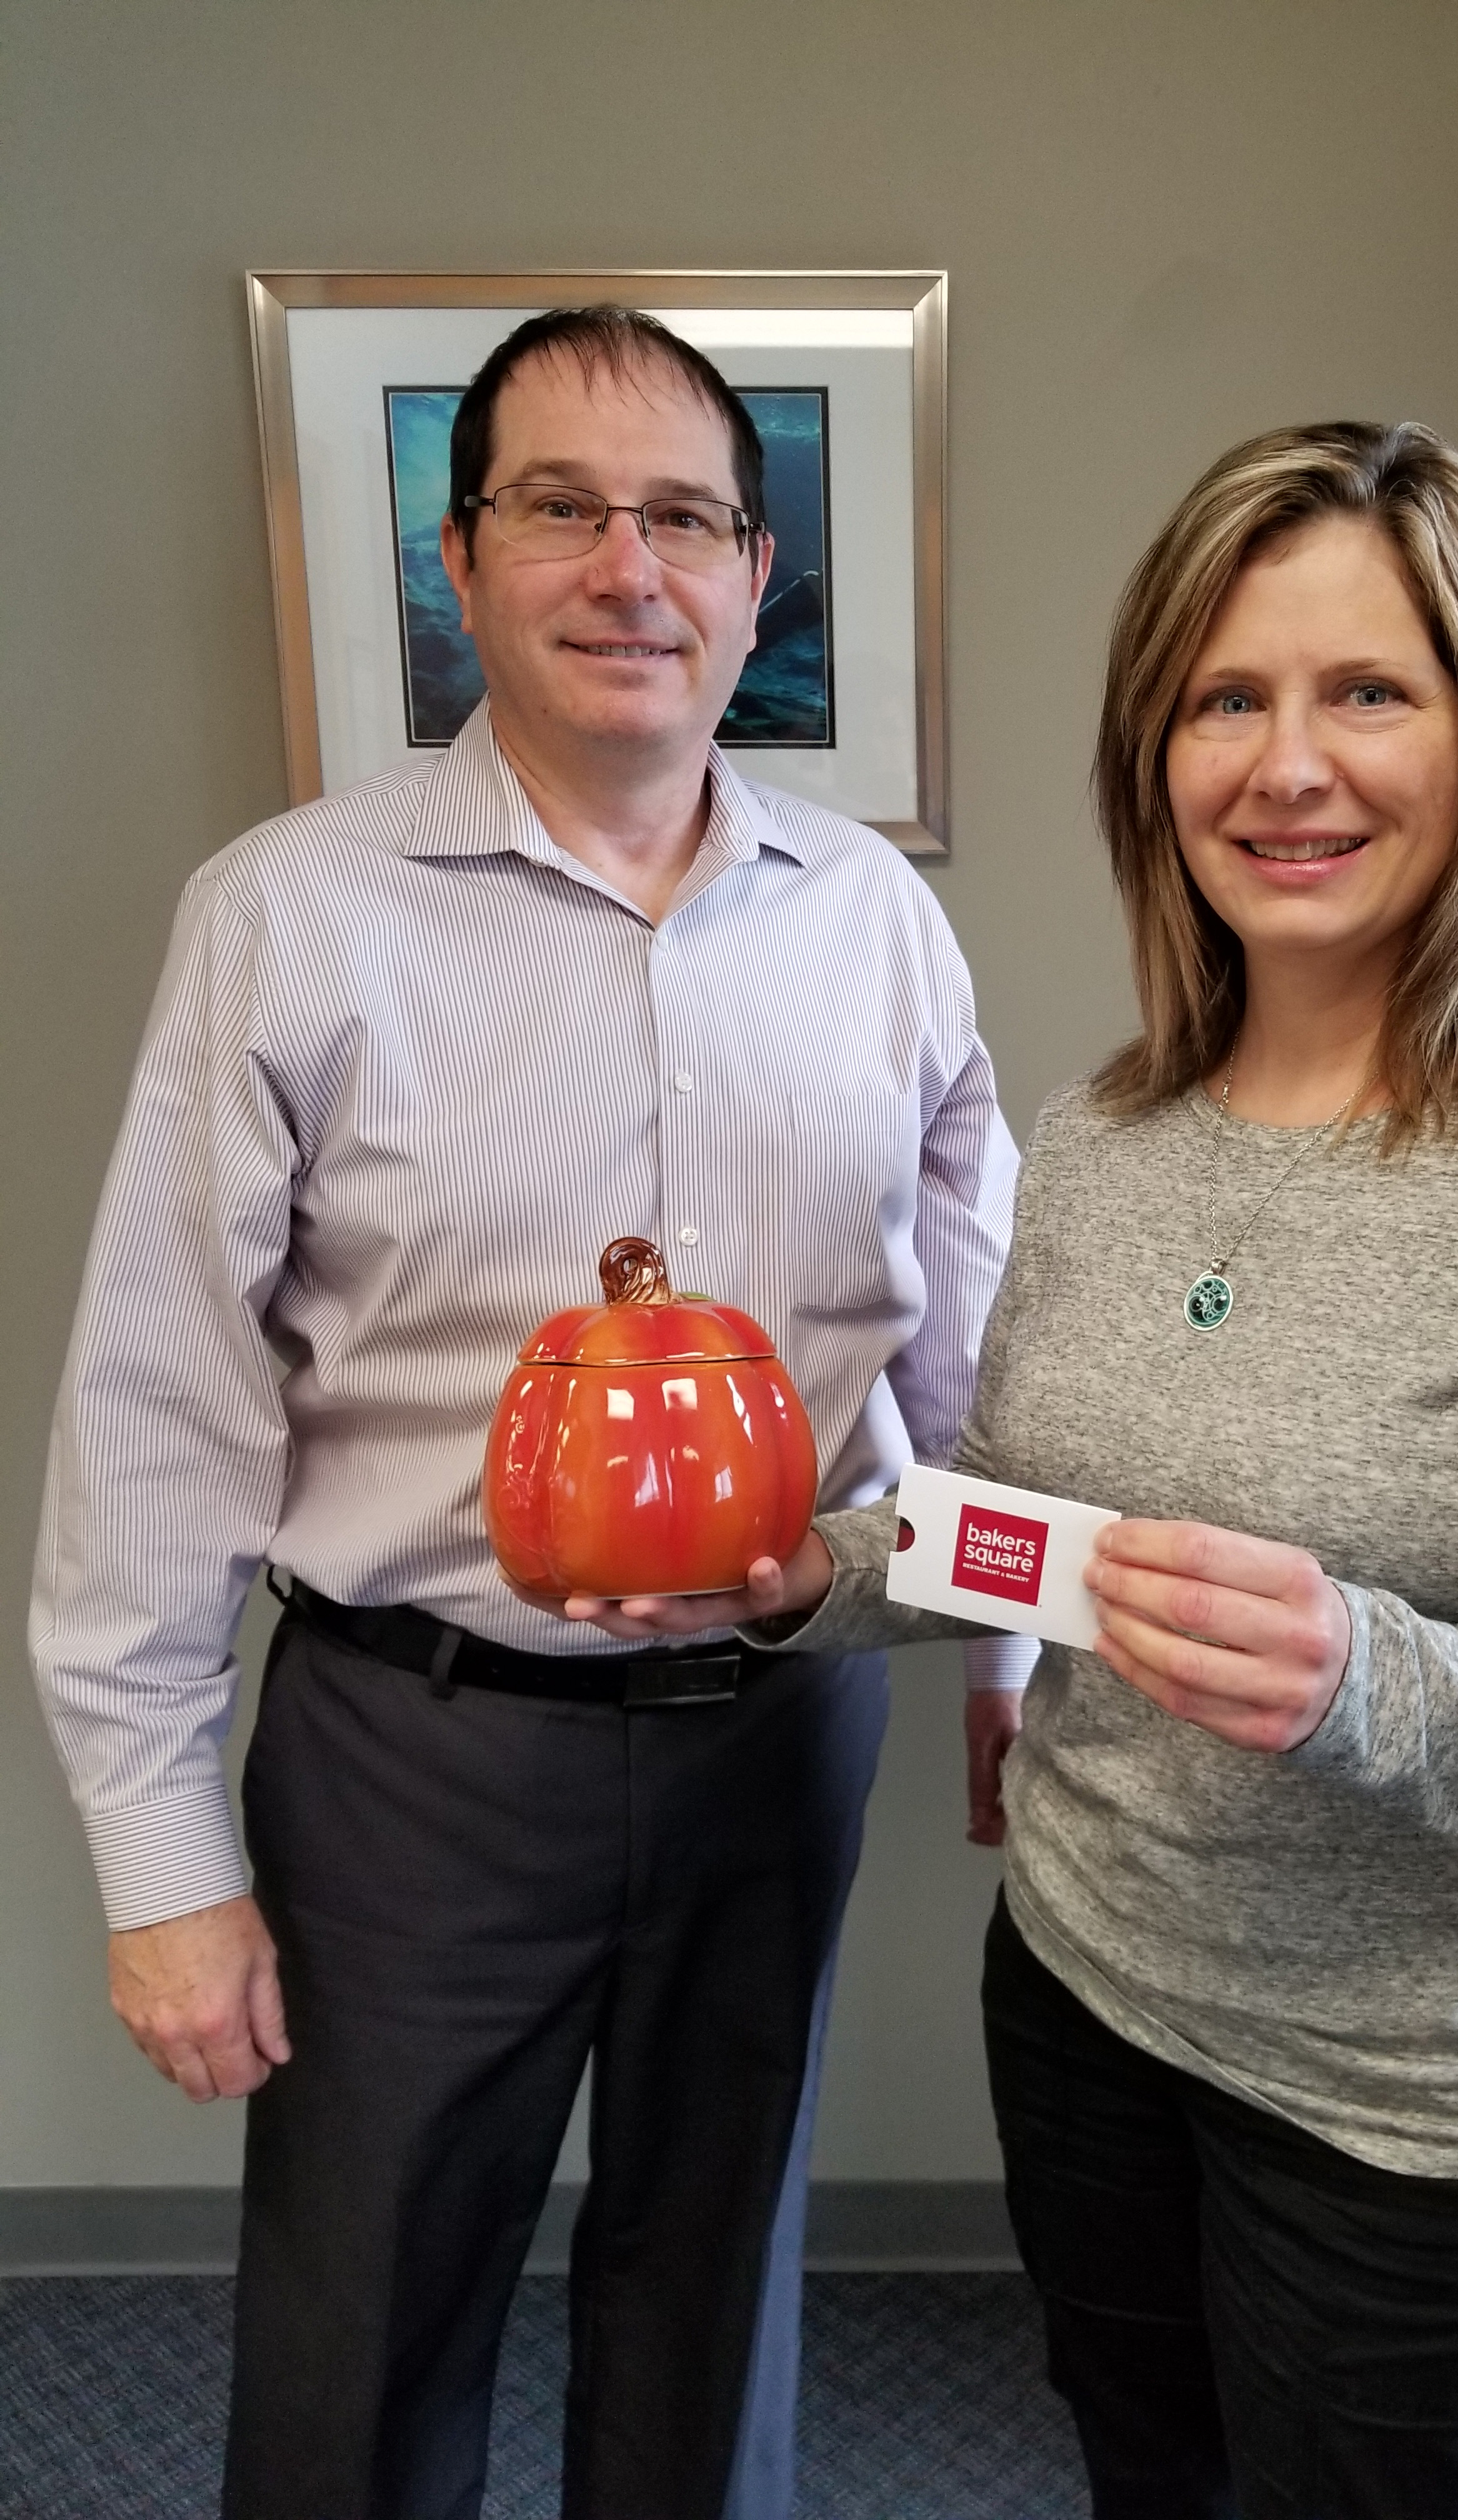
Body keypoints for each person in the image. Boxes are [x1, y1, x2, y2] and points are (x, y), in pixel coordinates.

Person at [576, 421, 1458, 2519]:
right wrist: (815, 1572)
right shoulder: (1111, 1135)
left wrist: (1375, 1677)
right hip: (1086, 2000)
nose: (1286, 765)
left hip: (1425, 2115)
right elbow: (1033, 1526)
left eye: (1368, 692)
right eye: (1226, 698)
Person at [30, 304, 1032, 2520]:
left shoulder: (872, 923)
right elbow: (157, 1399)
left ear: (756, 573)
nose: (628, 565)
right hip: (417, 1748)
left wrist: (1013, 1651)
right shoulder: (286, 918)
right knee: (364, 2321)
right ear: (462, 561)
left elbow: (964, 1340)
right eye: (561, 508)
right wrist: (164, 1857)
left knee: (715, 2304)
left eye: (683, 514)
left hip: (783, 1727)